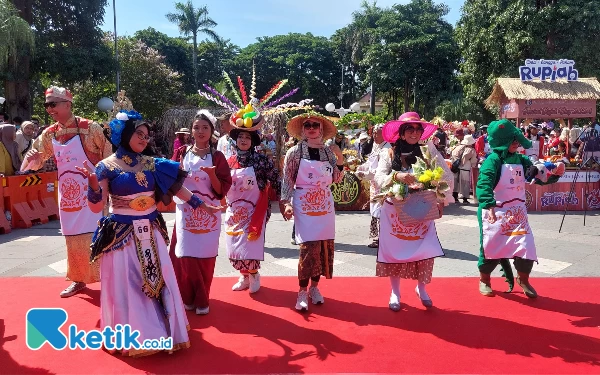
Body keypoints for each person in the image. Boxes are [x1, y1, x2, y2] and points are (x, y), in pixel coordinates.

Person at [79, 110, 221, 356]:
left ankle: (162, 330)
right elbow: (95, 206)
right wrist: (92, 186)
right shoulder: (105, 166)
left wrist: (202, 205)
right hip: (121, 236)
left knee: (157, 282)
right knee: (129, 285)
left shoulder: (153, 163)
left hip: (150, 232)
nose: (145, 139)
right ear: (124, 135)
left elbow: (178, 188)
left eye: (147, 135)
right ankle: (138, 335)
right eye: (139, 134)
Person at [22, 86, 111, 297]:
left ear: (68, 104)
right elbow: (30, 165)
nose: (49, 109)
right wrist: (33, 159)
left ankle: (109, 279)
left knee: (99, 235)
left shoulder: (90, 128)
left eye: (53, 104)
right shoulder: (49, 133)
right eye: (47, 105)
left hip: (92, 193)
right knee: (71, 237)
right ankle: (78, 279)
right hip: (68, 195)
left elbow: (108, 157)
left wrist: (106, 187)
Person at [374, 112, 453, 311]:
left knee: (425, 251)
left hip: (422, 210)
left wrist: (440, 199)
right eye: (410, 129)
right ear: (401, 133)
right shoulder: (388, 153)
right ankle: (395, 291)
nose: (414, 133)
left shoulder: (428, 151)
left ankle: (422, 288)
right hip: (394, 212)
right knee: (394, 253)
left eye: (418, 129)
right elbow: (378, 178)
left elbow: (445, 175)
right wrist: (397, 176)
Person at [477, 119, 564, 298]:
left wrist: (553, 174)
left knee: (526, 247)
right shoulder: (492, 161)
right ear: (502, 141)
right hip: (495, 212)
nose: (517, 143)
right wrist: (488, 204)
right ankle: (484, 280)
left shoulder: (521, 159)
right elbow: (483, 184)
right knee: (490, 247)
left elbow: (537, 174)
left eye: (517, 139)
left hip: (518, 213)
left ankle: (523, 279)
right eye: (512, 140)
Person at [169, 110, 232, 315]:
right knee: (185, 255)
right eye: (197, 127)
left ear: (212, 131)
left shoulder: (218, 156)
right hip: (186, 211)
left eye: (205, 128)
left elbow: (222, 188)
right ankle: (187, 297)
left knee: (205, 257)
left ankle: (203, 298)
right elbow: (171, 179)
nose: (201, 131)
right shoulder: (182, 153)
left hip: (209, 212)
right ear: (191, 131)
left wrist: (212, 175)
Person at [281, 113, 344, 311]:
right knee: (308, 248)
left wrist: (340, 157)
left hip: (324, 204)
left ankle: (315, 288)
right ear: (302, 129)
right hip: (303, 203)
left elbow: (337, 179)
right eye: (307, 125)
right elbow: (288, 179)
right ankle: (301, 291)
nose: (311, 128)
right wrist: (286, 202)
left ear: (321, 129)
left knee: (323, 247)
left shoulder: (328, 153)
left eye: (314, 125)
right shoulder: (295, 152)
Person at [225, 113, 281, 295]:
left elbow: (276, 179)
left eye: (247, 137)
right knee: (233, 245)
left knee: (250, 245)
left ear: (253, 141)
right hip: (234, 210)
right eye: (240, 136)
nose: (243, 140)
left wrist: (284, 201)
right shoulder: (229, 161)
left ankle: (254, 274)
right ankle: (243, 275)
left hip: (256, 209)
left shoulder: (261, 160)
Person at [355, 124, 391, 248]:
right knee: (375, 211)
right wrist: (362, 168)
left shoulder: (387, 148)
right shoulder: (376, 146)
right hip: (374, 185)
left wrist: (366, 174)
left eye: (378, 133)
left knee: (382, 211)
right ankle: (378, 237)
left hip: (383, 184)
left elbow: (382, 171)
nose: (375, 136)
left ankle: (384, 238)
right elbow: (370, 163)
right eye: (374, 133)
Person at [451, 134, 479, 204]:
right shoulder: (471, 150)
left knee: (456, 183)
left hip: (456, 167)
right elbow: (473, 161)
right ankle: (465, 198)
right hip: (465, 168)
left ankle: (455, 197)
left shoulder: (457, 147)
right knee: (465, 183)